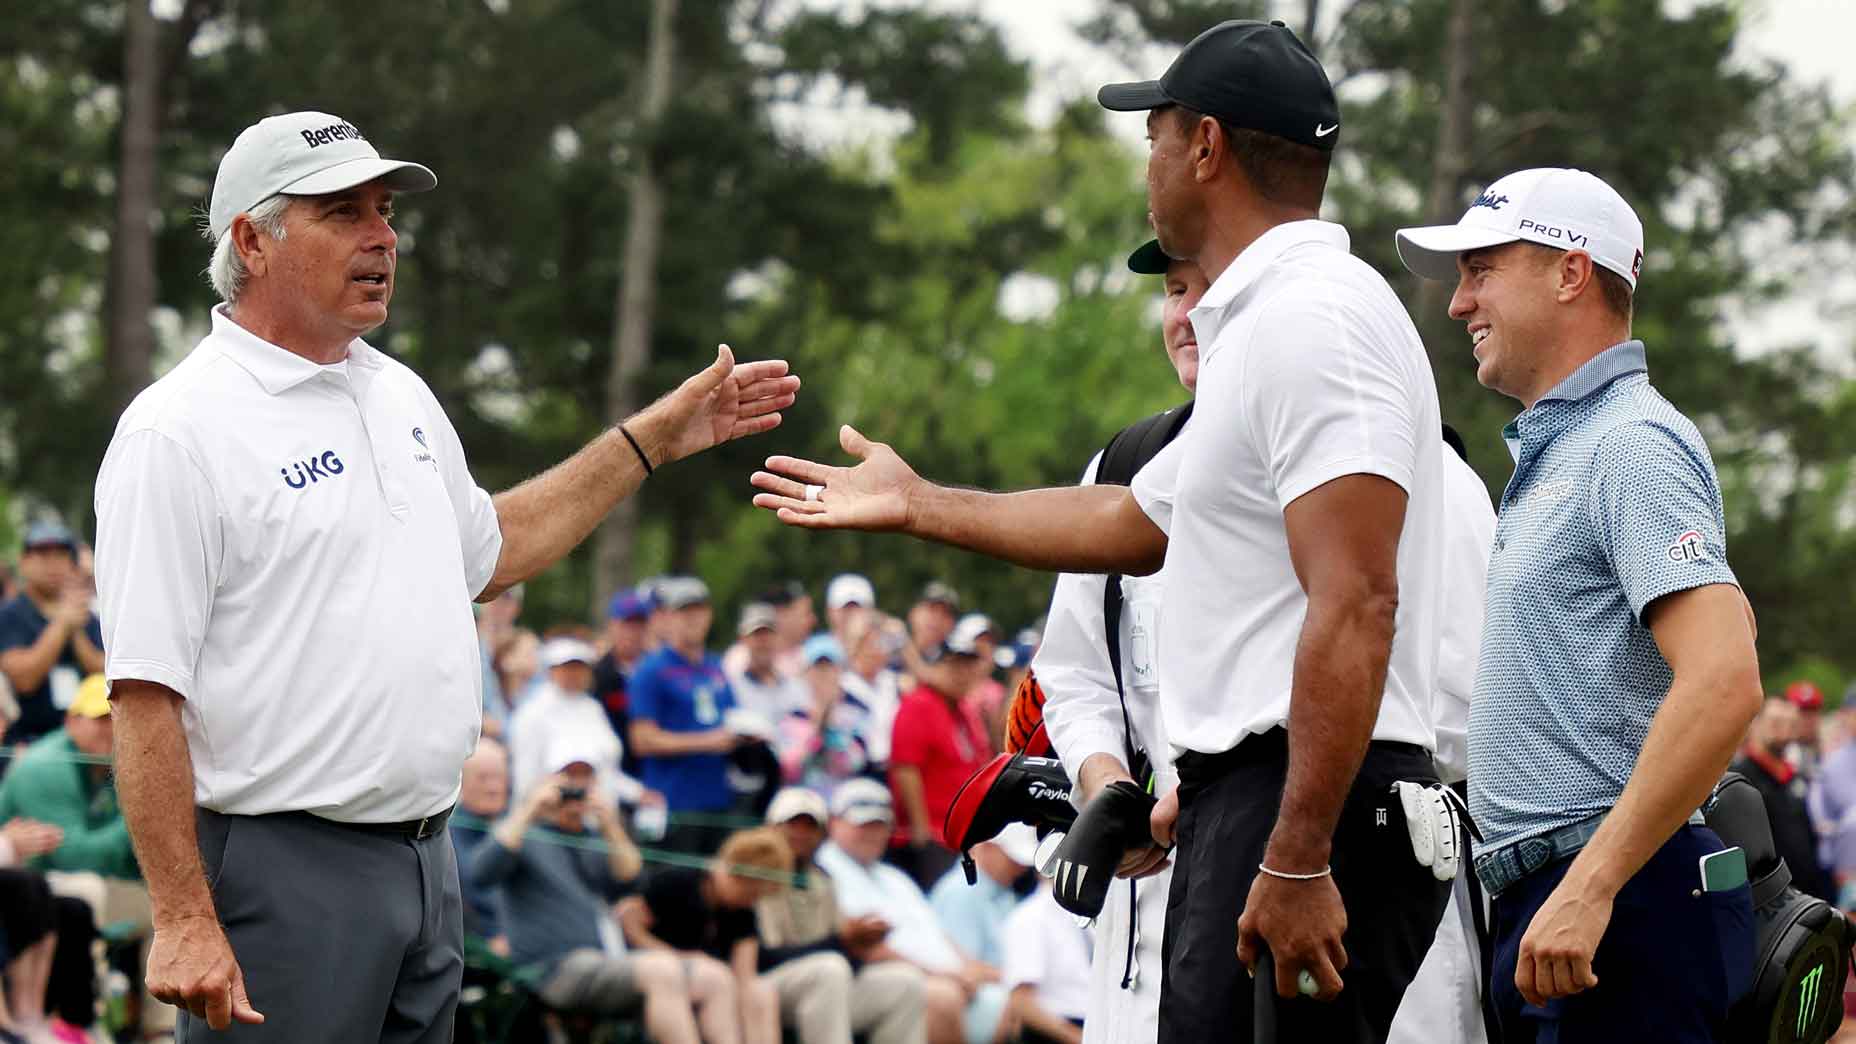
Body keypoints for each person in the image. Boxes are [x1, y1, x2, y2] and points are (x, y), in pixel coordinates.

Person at [753, 21, 1452, 1042]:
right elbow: (1132, 519)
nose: (1148, 163)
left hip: (1312, 808)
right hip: (1260, 797)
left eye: (1154, 135)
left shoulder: (1315, 318)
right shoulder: (1269, 320)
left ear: (1205, 147)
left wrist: (1295, 849)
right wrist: (919, 503)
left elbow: (1357, 599)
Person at [93, 109, 799, 1040]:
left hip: (429, 858)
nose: (383, 236)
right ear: (250, 241)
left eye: (384, 211)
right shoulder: (176, 431)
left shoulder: (397, 392)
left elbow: (490, 551)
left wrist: (649, 441)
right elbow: (144, 694)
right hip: (281, 866)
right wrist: (183, 916)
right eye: (342, 212)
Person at [1396, 166, 1761, 1040]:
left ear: (1570, 273)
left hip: (1614, 907)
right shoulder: (1568, 451)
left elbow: (1724, 681)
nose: (1458, 303)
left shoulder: (1629, 442)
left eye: (1482, 269)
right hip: (1572, 906)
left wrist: (1590, 887)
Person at [1028, 239, 1201, 1044]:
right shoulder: (1125, 462)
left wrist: (1195, 804)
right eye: (1174, 291)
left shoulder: (1364, 460)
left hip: (1294, 888)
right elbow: (1072, 674)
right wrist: (1106, 787)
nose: (1186, 315)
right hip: (1137, 927)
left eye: (1208, 291)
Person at [470, 746, 731, 1044]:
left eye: (585, 780)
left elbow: (633, 879)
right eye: (568, 779)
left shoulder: (593, 837)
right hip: (552, 969)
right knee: (663, 971)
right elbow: (482, 872)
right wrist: (530, 808)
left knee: (716, 978)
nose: (576, 789)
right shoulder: (523, 833)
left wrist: (609, 824)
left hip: (604, 961)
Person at [813, 780, 1008, 1044]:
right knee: (943, 997)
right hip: (879, 976)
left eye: (879, 825)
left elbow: (936, 931)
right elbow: (869, 947)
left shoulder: (893, 877)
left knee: (1011, 994)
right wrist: (946, 975)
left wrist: (968, 968)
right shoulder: (828, 869)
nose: (872, 833)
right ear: (834, 823)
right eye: (863, 824)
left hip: (943, 974)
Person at [756, 786, 926, 1044]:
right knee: (829, 970)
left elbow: (841, 949)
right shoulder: (757, 876)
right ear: (772, 828)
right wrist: (842, 941)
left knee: (906, 981)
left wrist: (860, 941)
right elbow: (764, 955)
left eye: (809, 827)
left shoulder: (823, 880)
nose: (800, 834)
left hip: (823, 986)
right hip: (767, 986)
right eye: (792, 825)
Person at [619, 828, 794, 1044]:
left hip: (711, 976)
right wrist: (677, 957)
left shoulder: (742, 912)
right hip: (661, 969)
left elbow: (745, 972)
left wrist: (752, 997)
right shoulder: (679, 882)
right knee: (718, 979)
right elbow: (629, 922)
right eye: (750, 893)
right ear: (736, 874)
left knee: (760, 992)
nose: (752, 901)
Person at [628, 576, 748, 854]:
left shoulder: (716, 667)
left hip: (717, 798)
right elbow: (642, 740)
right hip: (673, 802)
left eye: (698, 610)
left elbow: (729, 719)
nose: (692, 619)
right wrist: (707, 741)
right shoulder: (651, 670)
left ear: (709, 616)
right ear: (668, 618)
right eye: (683, 612)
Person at [889, 631, 994, 890]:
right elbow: (905, 769)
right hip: (934, 836)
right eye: (953, 664)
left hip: (965, 838)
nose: (962, 673)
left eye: (968, 665)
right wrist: (921, 832)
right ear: (934, 666)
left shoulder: (965, 711)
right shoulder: (918, 704)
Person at [506, 637, 652, 808]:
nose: (574, 673)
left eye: (580, 668)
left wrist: (636, 792)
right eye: (567, 667)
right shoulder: (532, 713)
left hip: (600, 814)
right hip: (552, 816)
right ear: (552, 670)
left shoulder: (592, 708)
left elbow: (608, 770)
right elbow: (525, 778)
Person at [0, 522, 104, 746]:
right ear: (24, 561)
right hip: (26, 742)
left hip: (84, 742)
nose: (53, 564)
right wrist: (61, 625)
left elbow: (106, 673)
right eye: (42, 554)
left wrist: (76, 632)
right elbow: (24, 679)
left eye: (61, 555)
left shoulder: (86, 617)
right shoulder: (10, 614)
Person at [1731, 699, 1833, 902]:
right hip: (1771, 898)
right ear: (1756, 723)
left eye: (1790, 724)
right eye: (1776, 722)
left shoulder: (1796, 777)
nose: (1784, 731)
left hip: (1808, 893)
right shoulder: (1741, 778)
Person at [775, 637, 875, 800]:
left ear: (840, 672)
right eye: (818, 668)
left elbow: (854, 764)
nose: (824, 674)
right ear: (806, 674)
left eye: (830, 668)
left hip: (842, 807)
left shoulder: (856, 717)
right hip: (803, 806)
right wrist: (816, 729)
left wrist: (830, 728)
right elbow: (790, 768)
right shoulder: (791, 719)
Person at [928, 825, 1037, 969]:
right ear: (986, 847)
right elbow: (966, 970)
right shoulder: (961, 893)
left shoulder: (1003, 890)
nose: (1021, 868)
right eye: (1012, 860)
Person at [1000, 879, 1094, 1044]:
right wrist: (1082, 1039)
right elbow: (1021, 1002)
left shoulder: (1086, 914)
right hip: (1056, 1032)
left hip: (1096, 1024)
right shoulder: (1030, 917)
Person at [450, 738, 510, 955]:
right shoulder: (448, 836)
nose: (492, 787)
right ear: (462, 782)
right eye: (483, 778)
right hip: (478, 943)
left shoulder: (521, 825)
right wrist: (489, 937)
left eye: (499, 778)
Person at [726, 604, 809, 721]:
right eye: (757, 635)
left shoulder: (796, 688)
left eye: (768, 634)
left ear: (778, 638)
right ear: (742, 639)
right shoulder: (733, 689)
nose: (764, 642)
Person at [907, 583, 961, 663]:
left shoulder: (955, 662)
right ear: (914, 612)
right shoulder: (889, 649)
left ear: (952, 624)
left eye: (945, 613)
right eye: (932, 609)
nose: (937, 618)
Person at [824, 575, 877, 649]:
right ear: (830, 611)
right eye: (845, 608)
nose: (851, 614)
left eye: (857, 608)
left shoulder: (886, 650)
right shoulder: (812, 650)